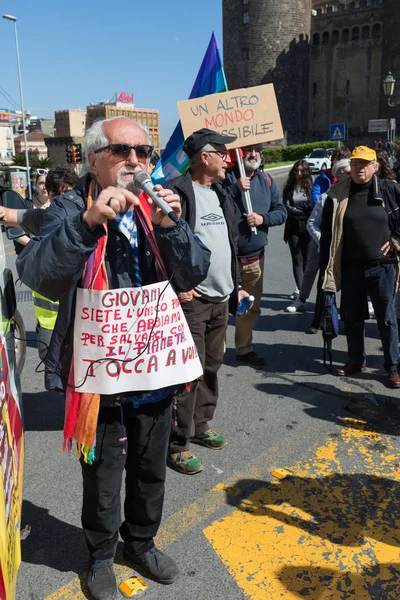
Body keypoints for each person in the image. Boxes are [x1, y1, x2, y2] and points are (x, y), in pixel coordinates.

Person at [16, 116, 211, 600]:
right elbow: (41, 275)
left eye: (143, 153)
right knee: (102, 471)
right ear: (94, 157)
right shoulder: (67, 208)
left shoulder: (157, 205)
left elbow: (196, 270)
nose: (135, 161)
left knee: (150, 464)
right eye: (123, 152)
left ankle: (141, 543)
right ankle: (101, 555)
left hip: (154, 366)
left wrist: (173, 226)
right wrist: (87, 224)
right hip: (100, 372)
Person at [166, 128, 249, 475]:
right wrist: (178, 285)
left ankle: (201, 425)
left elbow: (229, 243)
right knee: (189, 373)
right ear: (204, 156)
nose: (228, 159)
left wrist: (238, 286)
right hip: (192, 300)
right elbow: (162, 242)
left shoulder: (221, 192)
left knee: (212, 365)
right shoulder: (176, 193)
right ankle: (177, 443)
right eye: (222, 151)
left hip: (221, 297)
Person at [320, 145, 400, 389]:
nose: (359, 168)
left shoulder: (389, 189)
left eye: (365, 164)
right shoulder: (337, 194)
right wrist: (326, 270)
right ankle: (356, 360)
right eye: (355, 164)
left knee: (386, 320)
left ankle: (393, 367)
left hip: (382, 267)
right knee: (352, 318)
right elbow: (327, 235)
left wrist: (396, 239)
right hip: (351, 267)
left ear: (374, 167)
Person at [0, 165, 79, 361]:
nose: (66, 202)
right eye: (60, 196)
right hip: (51, 324)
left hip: (85, 319)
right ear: (51, 195)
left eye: (70, 194)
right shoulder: (45, 217)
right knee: (58, 373)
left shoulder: (92, 219)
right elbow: (7, 215)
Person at [225, 143, 287, 366]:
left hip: (254, 258)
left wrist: (263, 219)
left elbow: (281, 212)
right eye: (248, 150)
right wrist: (234, 189)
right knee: (221, 309)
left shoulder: (267, 181)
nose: (253, 155)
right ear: (238, 153)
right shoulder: (225, 178)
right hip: (227, 259)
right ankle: (214, 353)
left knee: (249, 307)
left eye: (257, 151)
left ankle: (244, 349)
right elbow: (213, 204)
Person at [286, 147, 352, 316]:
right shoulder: (324, 180)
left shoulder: (357, 190)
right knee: (311, 269)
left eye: (347, 167)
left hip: (346, 242)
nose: (346, 173)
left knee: (348, 276)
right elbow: (316, 200)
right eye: (339, 161)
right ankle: (302, 299)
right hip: (323, 237)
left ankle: (346, 310)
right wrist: (323, 240)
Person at [304, 159, 351, 333]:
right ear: (338, 176)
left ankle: (346, 320)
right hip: (328, 252)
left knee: (350, 288)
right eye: (347, 171)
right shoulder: (326, 197)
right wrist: (325, 241)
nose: (350, 174)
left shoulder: (356, 197)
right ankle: (318, 322)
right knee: (324, 288)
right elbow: (312, 224)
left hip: (350, 252)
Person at [282, 160, 313, 301]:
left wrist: (305, 212)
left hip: (308, 227)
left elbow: (314, 207)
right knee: (297, 259)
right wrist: (304, 212)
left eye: (302, 171)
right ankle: (301, 292)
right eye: (297, 171)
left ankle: (304, 289)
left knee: (308, 260)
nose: (299, 174)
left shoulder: (311, 188)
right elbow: (287, 207)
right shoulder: (289, 188)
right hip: (293, 226)